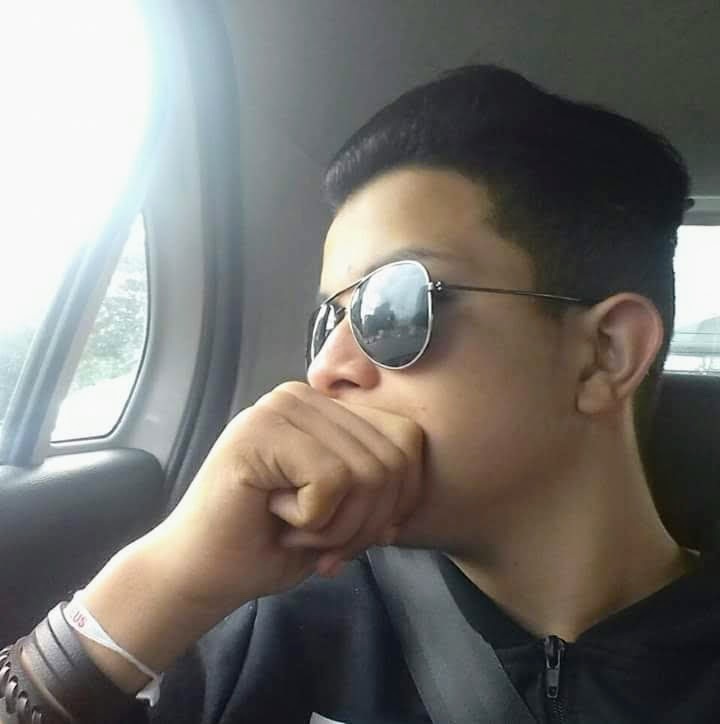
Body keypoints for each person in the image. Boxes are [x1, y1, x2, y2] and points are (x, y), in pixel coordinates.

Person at [3, 64, 719, 724]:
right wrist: (159, 584)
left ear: (604, 355)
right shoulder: (269, 622)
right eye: (328, 320)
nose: (325, 369)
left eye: (390, 306)